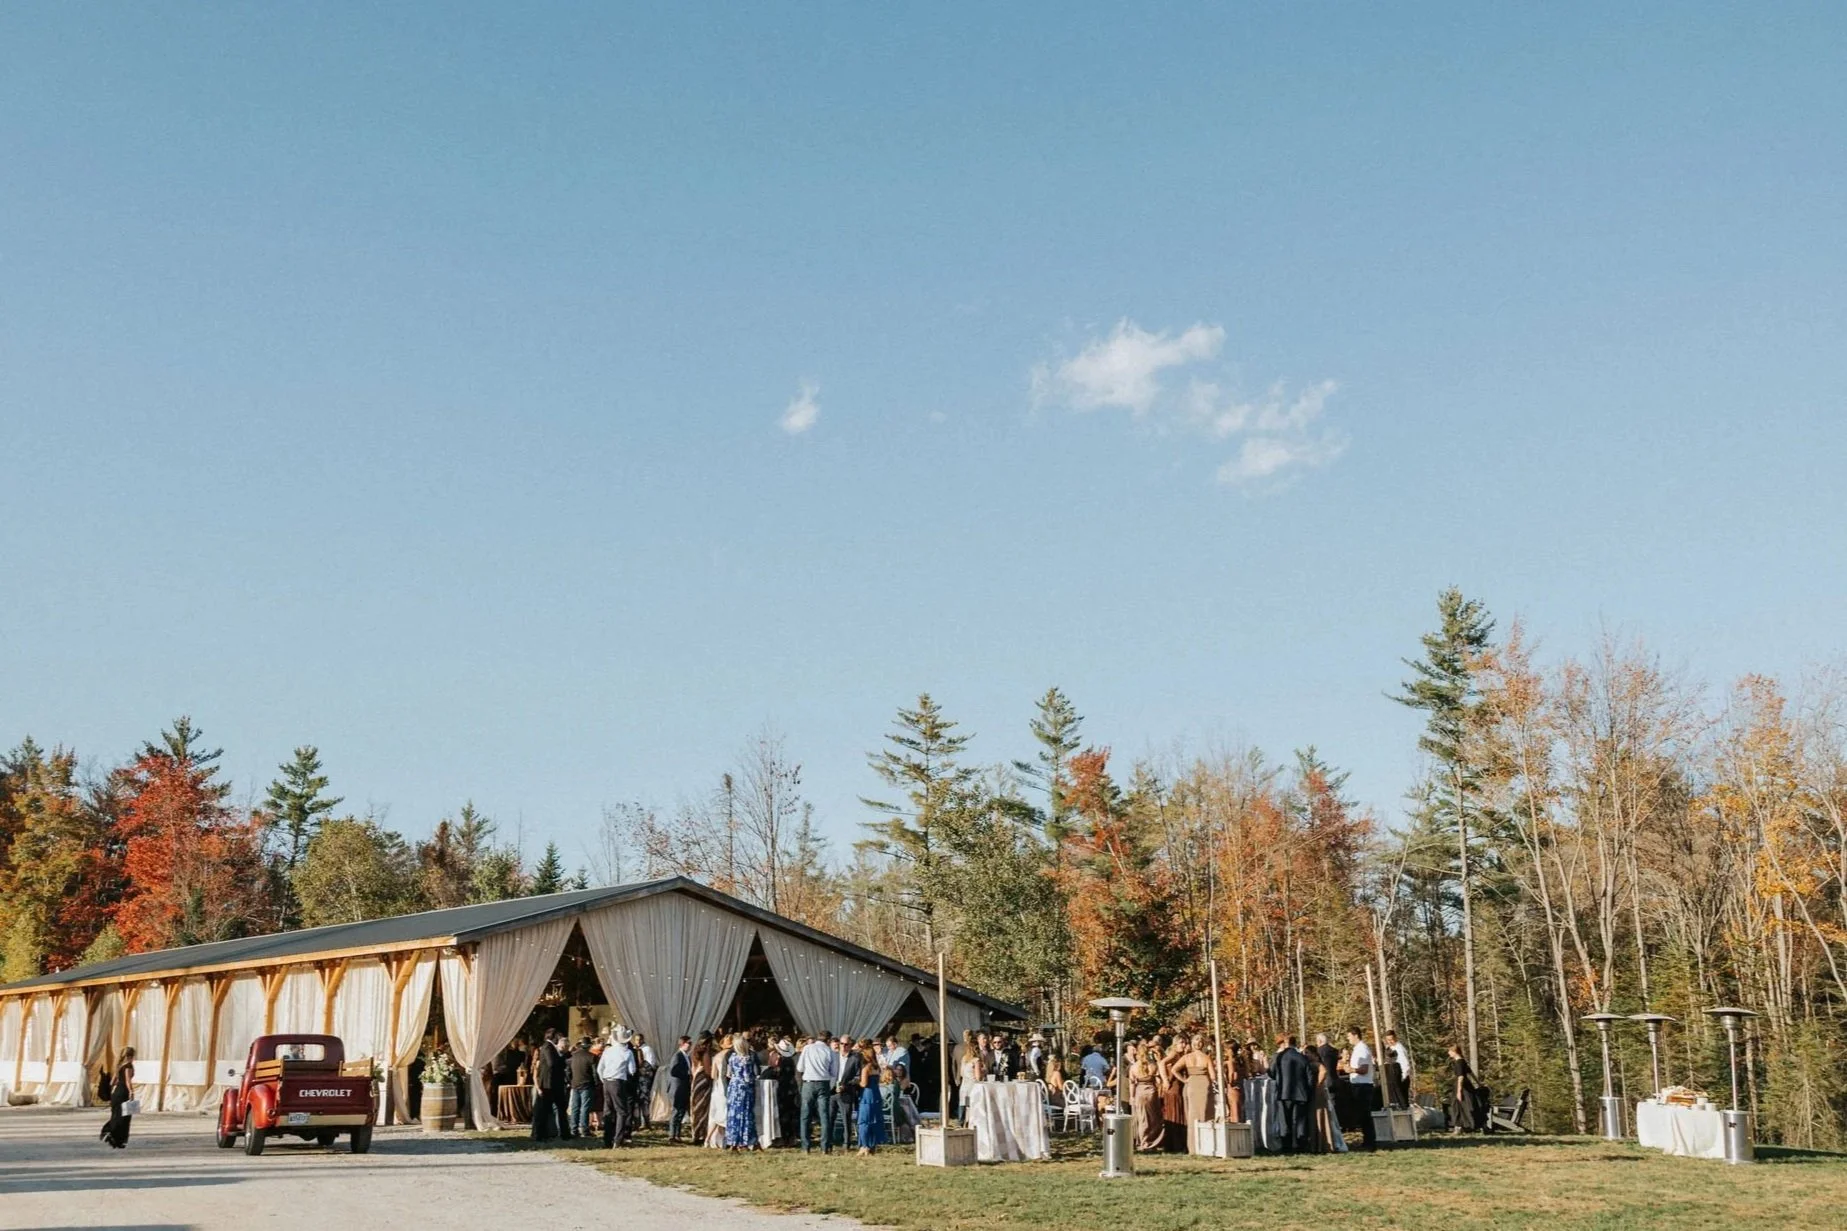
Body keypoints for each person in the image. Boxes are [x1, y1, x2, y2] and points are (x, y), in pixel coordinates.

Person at [797, 1031, 839, 1153]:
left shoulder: (808, 1048)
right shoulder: (829, 1051)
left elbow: (800, 1067)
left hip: (809, 1082)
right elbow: (834, 1072)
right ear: (828, 1040)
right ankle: (825, 1147)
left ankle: (805, 1146)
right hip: (823, 1083)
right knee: (824, 1115)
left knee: (805, 1115)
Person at [598, 1027, 638, 1148]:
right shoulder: (627, 1052)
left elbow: (600, 1068)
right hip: (618, 1081)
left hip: (606, 1081)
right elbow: (632, 1070)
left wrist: (604, 1079)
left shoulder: (608, 1051)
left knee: (608, 1110)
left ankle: (607, 1139)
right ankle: (618, 1139)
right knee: (622, 1111)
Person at [1272, 1035, 1313, 1154]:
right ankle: (1301, 1145)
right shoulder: (1302, 1057)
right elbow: (1309, 1077)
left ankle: (1287, 1146)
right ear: (1295, 1044)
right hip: (1300, 1093)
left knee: (1285, 1121)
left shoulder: (1279, 1057)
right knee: (1300, 1121)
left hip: (1284, 1092)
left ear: (1286, 1043)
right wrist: (1308, 1091)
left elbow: (1272, 1072)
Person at [724, 1034, 760, 1151]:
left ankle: (733, 1141)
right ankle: (744, 1142)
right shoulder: (747, 1059)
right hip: (744, 1089)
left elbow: (728, 1074)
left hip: (733, 1087)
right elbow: (748, 1077)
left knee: (733, 1114)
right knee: (745, 1114)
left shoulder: (732, 1057)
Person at [530, 1029, 567, 1141]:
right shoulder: (547, 1046)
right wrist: (563, 1058)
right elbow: (551, 1063)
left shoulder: (550, 1047)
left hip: (553, 1084)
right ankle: (540, 1134)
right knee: (543, 1110)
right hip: (548, 1084)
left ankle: (563, 1133)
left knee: (559, 1108)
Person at [1347, 1027, 1379, 1150]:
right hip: (1359, 1084)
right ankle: (1367, 1141)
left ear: (1356, 1035)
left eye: (1349, 1036)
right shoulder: (1357, 1049)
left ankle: (1370, 1142)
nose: (1348, 1039)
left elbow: (1364, 1069)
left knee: (1365, 1114)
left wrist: (1352, 1070)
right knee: (1362, 1114)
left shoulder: (1362, 1050)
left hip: (1363, 1085)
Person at [1179, 1034, 1214, 1145]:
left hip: (1192, 1083)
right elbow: (1213, 1076)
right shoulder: (1206, 1058)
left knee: (1192, 1114)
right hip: (1204, 1083)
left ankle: (1193, 1145)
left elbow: (1174, 1070)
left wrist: (1184, 1080)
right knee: (1205, 1113)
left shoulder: (1187, 1057)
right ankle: (1205, 1143)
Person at [1129, 1043, 1164, 1150]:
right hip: (1151, 1092)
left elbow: (1132, 1083)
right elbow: (1158, 1080)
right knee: (1154, 1117)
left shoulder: (1133, 1067)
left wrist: (1132, 1096)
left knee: (1142, 1118)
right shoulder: (1152, 1065)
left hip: (1140, 1091)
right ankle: (1153, 1140)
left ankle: (1143, 1141)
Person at [100, 1047, 136, 1148]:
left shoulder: (119, 1066)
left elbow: (112, 1082)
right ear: (130, 1056)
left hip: (116, 1093)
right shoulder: (128, 1066)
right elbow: (128, 1081)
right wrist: (131, 1092)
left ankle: (110, 1133)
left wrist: (110, 1093)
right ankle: (119, 1140)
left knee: (116, 1115)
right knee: (125, 1117)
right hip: (124, 1093)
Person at [854, 1042, 885, 1155]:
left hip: (867, 1095)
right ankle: (873, 1145)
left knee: (864, 1121)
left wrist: (856, 1081)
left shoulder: (866, 1068)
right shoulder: (876, 1068)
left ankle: (864, 1145)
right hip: (876, 1094)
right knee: (874, 1120)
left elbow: (864, 1083)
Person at [1447, 1045, 1486, 1133]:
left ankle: (1460, 1126)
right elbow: (1470, 1073)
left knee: (1459, 1106)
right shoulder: (1462, 1061)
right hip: (1467, 1085)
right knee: (1468, 1105)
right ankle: (1467, 1125)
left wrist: (1459, 1091)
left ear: (1454, 1052)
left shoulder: (1459, 1062)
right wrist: (1478, 1083)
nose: (1448, 1053)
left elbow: (1461, 1077)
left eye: (1450, 1051)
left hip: (1462, 1086)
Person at [568, 1037, 598, 1138]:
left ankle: (573, 1129)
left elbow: (568, 1071)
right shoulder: (591, 1057)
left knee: (575, 1107)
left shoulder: (573, 1056)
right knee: (585, 1108)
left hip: (575, 1084)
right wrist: (596, 1083)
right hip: (587, 1084)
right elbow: (595, 1073)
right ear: (589, 1046)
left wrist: (570, 1081)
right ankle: (585, 1130)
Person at [664, 1036, 693, 1142]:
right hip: (677, 1087)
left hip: (684, 1087)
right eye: (688, 1043)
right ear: (683, 1044)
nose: (690, 1045)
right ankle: (672, 1135)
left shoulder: (686, 1056)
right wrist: (686, 1073)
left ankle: (677, 1134)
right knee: (676, 1111)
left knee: (681, 1111)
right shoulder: (677, 1056)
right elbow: (673, 1071)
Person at [705, 1036, 730, 1147]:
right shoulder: (732, 1055)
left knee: (717, 1113)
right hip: (727, 1086)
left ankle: (710, 1138)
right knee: (725, 1113)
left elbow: (713, 1075)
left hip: (718, 1086)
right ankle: (723, 1140)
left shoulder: (717, 1056)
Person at [955, 1031, 984, 1126]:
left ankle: (961, 1122)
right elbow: (978, 1077)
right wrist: (983, 1072)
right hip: (973, 1088)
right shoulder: (976, 1060)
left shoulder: (964, 1059)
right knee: (971, 1108)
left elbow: (962, 1073)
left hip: (964, 1087)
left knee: (964, 1106)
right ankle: (970, 1124)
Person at [689, 1035, 714, 1142]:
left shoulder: (694, 1052)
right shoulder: (706, 1053)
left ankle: (695, 1133)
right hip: (704, 1079)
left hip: (696, 1079)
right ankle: (701, 1134)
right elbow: (708, 1071)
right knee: (703, 1107)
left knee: (695, 1107)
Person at [1385, 1030, 1413, 1110]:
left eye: (1391, 1039)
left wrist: (1402, 1077)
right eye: (1388, 1040)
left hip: (1401, 1077)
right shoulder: (1390, 1048)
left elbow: (1405, 1064)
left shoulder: (1399, 1048)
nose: (1390, 1041)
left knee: (1403, 1100)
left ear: (1395, 1038)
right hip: (1394, 1076)